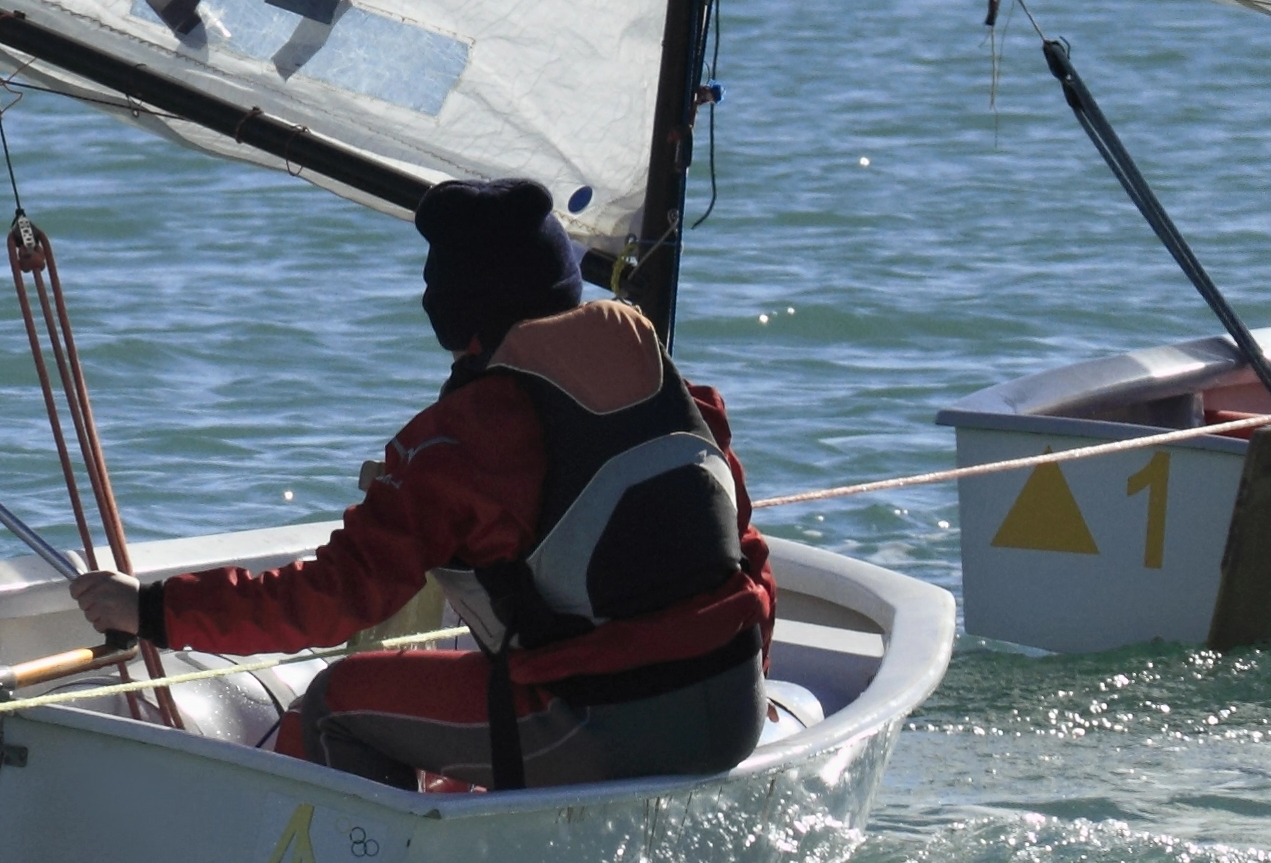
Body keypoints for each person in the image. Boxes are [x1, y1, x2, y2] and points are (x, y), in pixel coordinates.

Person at [71, 178, 775, 789]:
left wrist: (153, 609)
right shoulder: (678, 394)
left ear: (454, 317)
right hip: (736, 707)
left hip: (602, 728)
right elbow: (748, 559)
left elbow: (332, 601)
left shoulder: (455, 443)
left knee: (334, 704)